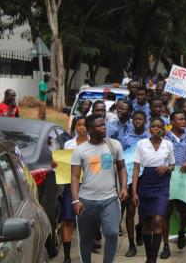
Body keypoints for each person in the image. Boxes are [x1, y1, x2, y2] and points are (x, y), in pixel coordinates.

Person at [70, 115, 128, 263]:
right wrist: (75, 200)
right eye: (100, 126)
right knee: (85, 238)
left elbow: (122, 168)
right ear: (90, 129)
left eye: (104, 125)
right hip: (86, 201)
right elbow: (75, 177)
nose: (104, 128)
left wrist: (123, 188)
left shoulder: (114, 145)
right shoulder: (80, 150)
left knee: (112, 233)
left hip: (110, 199)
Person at [132, 118, 175, 263]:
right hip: (145, 183)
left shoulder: (168, 145)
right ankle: (149, 255)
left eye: (159, 127)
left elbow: (173, 165)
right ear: (149, 129)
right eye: (153, 127)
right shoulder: (141, 144)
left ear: (164, 129)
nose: (156, 129)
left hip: (162, 184)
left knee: (158, 219)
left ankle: (153, 259)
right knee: (146, 223)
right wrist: (134, 192)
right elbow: (136, 168)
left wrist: (167, 167)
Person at [160, 111, 186, 259]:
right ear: (172, 121)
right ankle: (165, 246)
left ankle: (182, 231)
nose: (184, 121)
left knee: (184, 213)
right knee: (166, 213)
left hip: (183, 180)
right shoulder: (164, 138)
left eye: (185, 119)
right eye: (180, 119)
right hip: (166, 179)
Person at [119, 110, 150, 256]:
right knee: (130, 211)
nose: (138, 121)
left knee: (144, 213)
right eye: (136, 119)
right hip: (130, 178)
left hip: (146, 179)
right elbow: (121, 160)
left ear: (145, 120)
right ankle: (131, 244)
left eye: (141, 119)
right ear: (132, 120)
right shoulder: (125, 139)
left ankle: (140, 227)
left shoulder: (150, 137)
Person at [61, 116, 88, 263]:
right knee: (68, 220)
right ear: (75, 126)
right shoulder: (68, 144)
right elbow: (64, 163)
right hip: (70, 186)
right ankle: (66, 256)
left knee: (86, 222)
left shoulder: (94, 143)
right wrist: (56, 165)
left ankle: (85, 254)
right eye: (79, 125)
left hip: (89, 186)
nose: (82, 128)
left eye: (84, 125)